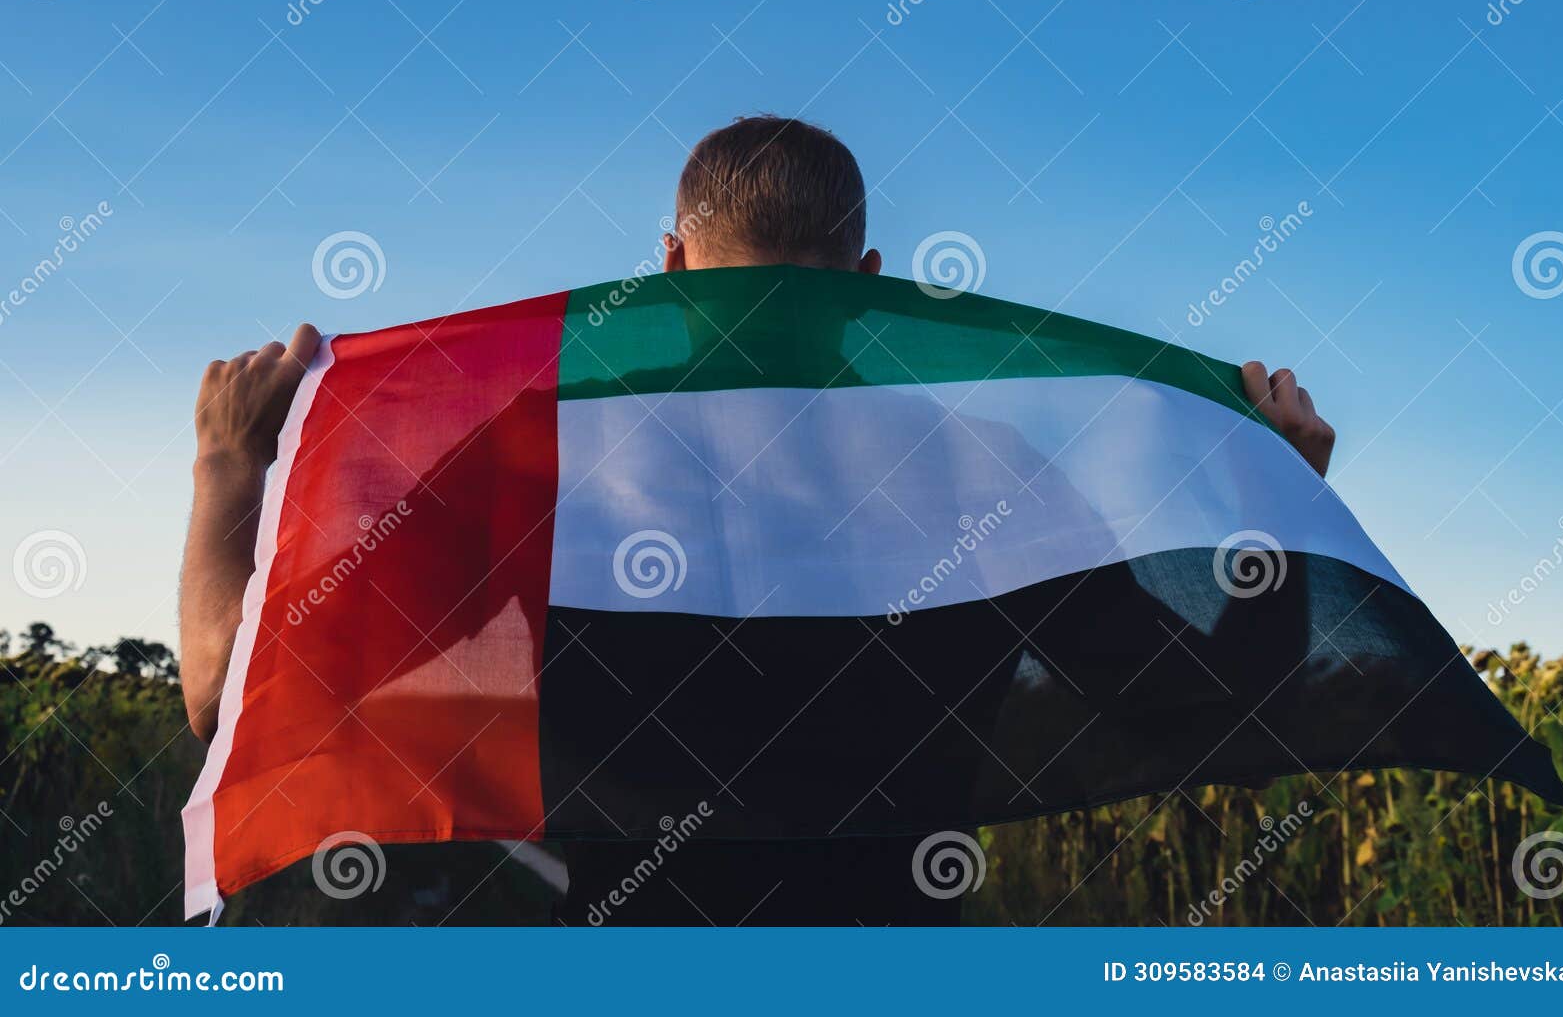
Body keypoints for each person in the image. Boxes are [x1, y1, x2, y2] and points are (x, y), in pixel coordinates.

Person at [180, 115, 1337, 923]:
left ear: (671, 263)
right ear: (869, 275)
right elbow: (1221, 701)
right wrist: (1277, 493)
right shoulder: (984, 468)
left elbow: (218, 687)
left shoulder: (540, 458)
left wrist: (230, 468)